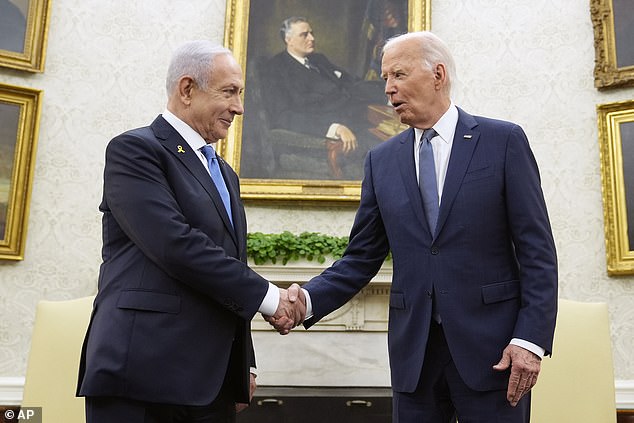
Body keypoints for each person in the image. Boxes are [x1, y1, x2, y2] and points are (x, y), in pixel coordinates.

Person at [273, 31, 558, 422]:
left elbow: (537, 253)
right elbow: (360, 258)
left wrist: (530, 341)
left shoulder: (502, 141)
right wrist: (307, 300)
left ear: (438, 74)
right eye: (385, 78)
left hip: (495, 354)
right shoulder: (381, 160)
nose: (388, 89)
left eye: (398, 75)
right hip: (415, 359)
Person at [76, 40, 304, 423]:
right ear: (187, 89)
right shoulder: (135, 150)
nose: (239, 107)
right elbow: (175, 245)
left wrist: (243, 364)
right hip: (141, 376)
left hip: (210, 384)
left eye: (240, 94)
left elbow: (230, 264)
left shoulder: (225, 174)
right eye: (229, 92)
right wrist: (270, 298)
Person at [262, 16, 385, 175]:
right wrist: (335, 128)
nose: (312, 38)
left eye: (311, 33)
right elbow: (284, 116)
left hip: (358, 119)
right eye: (304, 35)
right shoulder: (276, 69)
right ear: (288, 39)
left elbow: (351, 83)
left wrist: (386, 94)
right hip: (330, 131)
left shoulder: (318, 60)